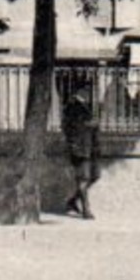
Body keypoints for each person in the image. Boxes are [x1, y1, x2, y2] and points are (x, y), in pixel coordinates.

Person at [62, 81, 99, 220]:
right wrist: (89, 125)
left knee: (95, 176)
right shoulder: (72, 106)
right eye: (87, 90)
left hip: (89, 147)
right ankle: (86, 210)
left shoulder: (85, 105)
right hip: (80, 148)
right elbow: (68, 127)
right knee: (83, 179)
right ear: (79, 91)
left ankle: (72, 201)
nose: (89, 93)